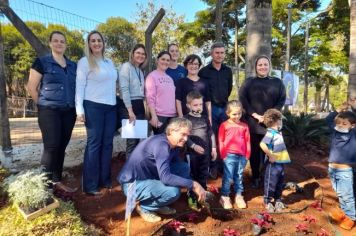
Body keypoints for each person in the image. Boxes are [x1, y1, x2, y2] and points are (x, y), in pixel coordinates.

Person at [117, 117, 207, 223]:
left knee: (183, 168)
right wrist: (194, 185)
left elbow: (178, 169)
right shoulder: (161, 146)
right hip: (132, 184)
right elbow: (166, 178)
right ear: (171, 131)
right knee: (173, 192)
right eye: (183, 134)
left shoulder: (173, 145)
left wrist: (191, 187)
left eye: (187, 135)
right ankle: (145, 207)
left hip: (149, 175)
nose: (186, 139)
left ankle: (158, 203)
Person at [27, 31, 77, 193]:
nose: (59, 43)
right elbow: (31, 88)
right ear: (50, 43)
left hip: (69, 112)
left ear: (65, 45)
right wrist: (43, 105)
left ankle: (56, 180)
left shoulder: (72, 65)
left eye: (62, 41)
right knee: (51, 146)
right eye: (55, 41)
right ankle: (45, 188)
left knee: (62, 146)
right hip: (49, 111)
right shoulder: (42, 62)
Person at [76, 30, 118, 196]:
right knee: (94, 144)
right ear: (89, 44)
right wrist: (79, 109)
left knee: (108, 143)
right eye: (92, 41)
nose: (96, 43)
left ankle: (105, 179)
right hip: (93, 106)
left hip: (111, 107)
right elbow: (79, 86)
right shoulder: (84, 62)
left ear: (103, 43)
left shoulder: (109, 62)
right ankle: (90, 185)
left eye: (99, 40)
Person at [239, 55, 286, 188]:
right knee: (255, 152)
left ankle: (270, 177)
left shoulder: (277, 82)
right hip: (253, 123)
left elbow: (281, 100)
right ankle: (255, 176)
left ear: (269, 66)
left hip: (271, 123)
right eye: (260, 65)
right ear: (256, 67)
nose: (263, 67)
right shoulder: (249, 82)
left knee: (271, 151)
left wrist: (269, 116)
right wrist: (255, 115)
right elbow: (243, 99)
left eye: (265, 64)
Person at [198, 42, 233, 179]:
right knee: (211, 138)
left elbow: (229, 88)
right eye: (216, 52)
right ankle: (212, 167)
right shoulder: (204, 71)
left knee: (224, 138)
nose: (219, 55)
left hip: (224, 108)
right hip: (210, 108)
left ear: (224, 54)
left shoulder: (228, 71)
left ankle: (222, 165)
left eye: (222, 52)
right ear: (212, 54)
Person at [184, 91, 217, 211]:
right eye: (195, 105)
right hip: (192, 155)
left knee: (203, 175)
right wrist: (193, 146)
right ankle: (192, 196)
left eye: (200, 104)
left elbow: (211, 133)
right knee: (192, 175)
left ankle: (202, 196)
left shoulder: (204, 118)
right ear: (188, 105)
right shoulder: (186, 119)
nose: (199, 107)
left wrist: (213, 148)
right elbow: (184, 137)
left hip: (205, 153)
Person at [326, 110, 356, 230]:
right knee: (340, 193)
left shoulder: (353, 134)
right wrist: (339, 110)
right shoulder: (335, 132)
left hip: (345, 171)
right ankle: (344, 213)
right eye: (338, 123)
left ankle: (351, 217)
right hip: (332, 169)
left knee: (347, 195)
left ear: (352, 125)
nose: (340, 125)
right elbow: (328, 119)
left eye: (344, 123)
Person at [218, 100, 250, 209]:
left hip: (242, 156)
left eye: (239, 113)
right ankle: (225, 196)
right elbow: (221, 141)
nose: (237, 116)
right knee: (228, 177)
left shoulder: (244, 126)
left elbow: (247, 141)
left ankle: (239, 195)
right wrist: (223, 155)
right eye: (234, 114)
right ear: (228, 113)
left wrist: (247, 156)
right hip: (229, 156)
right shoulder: (224, 125)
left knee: (239, 176)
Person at [118, 44, 147, 158]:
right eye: (138, 53)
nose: (140, 55)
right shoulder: (126, 67)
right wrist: (130, 111)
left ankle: (137, 170)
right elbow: (124, 89)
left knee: (139, 141)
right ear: (132, 54)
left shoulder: (140, 71)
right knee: (131, 142)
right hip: (129, 107)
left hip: (139, 106)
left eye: (143, 54)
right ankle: (129, 173)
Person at [259, 109, 291, 213]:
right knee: (271, 183)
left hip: (280, 163)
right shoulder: (270, 133)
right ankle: (268, 202)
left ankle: (278, 200)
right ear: (276, 121)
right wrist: (270, 155)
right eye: (280, 120)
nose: (281, 122)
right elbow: (262, 144)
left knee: (279, 182)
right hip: (273, 165)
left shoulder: (277, 133)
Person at [145, 51, 176, 134]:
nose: (165, 62)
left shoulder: (170, 78)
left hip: (172, 116)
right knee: (160, 143)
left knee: (172, 144)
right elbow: (150, 98)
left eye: (168, 60)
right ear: (157, 60)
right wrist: (154, 116)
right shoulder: (151, 76)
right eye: (163, 59)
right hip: (159, 116)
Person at [176, 54, 211, 123]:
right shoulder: (180, 82)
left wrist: (210, 118)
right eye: (190, 64)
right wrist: (181, 117)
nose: (193, 66)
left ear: (199, 66)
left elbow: (208, 102)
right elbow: (178, 101)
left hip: (202, 119)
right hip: (186, 119)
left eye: (196, 64)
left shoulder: (204, 82)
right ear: (186, 66)